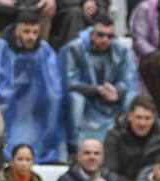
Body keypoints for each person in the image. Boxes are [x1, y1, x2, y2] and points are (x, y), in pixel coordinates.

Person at [0, 11, 65, 164]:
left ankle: (48, 151)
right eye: (26, 32)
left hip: (35, 96)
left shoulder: (44, 50)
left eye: (35, 32)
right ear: (17, 30)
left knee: (54, 99)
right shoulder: (2, 47)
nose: (31, 37)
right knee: (4, 96)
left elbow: (52, 82)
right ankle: (3, 148)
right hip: (10, 93)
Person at [59, 15, 137, 151]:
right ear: (91, 34)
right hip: (86, 98)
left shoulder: (121, 50)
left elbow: (128, 79)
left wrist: (117, 92)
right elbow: (69, 80)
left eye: (109, 36)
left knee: (133, 99)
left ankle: (127, 145)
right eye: (100, 35)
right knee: (75, 99)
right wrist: (97, 90)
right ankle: (73, 146)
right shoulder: (75, 48)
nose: (105, 40)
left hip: (112, 98)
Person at [105, 95, 160, 181]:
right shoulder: (114, 136)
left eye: (147, 118)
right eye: (139, 117)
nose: (142, 123)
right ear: (130, 117)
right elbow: (109, 171)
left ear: (153, 119)